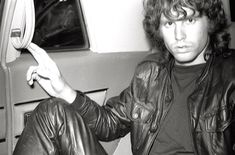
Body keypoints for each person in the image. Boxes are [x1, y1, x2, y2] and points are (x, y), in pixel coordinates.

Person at [13, 0, 235, 154]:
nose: (179, 35)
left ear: (210, 21)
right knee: (51, 112)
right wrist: (62, 89)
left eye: (189, 20)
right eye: (169, 23)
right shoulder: (149, 74)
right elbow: (108, 124)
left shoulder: (229, 77)